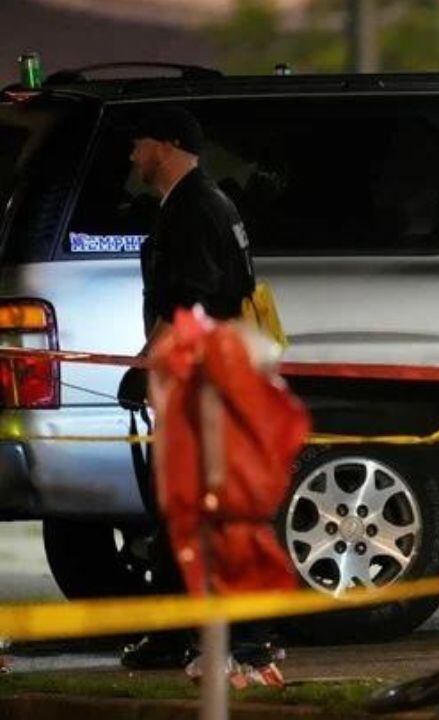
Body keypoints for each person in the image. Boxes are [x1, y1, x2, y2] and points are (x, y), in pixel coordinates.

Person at [117, 106, 259, 669]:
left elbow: (193, 300)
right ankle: (179, 634)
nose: (133, 154)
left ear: (166, 146)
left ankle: (234, 641)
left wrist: (150, 362)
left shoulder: (195, 209)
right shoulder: (200, 203)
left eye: (140, 143)